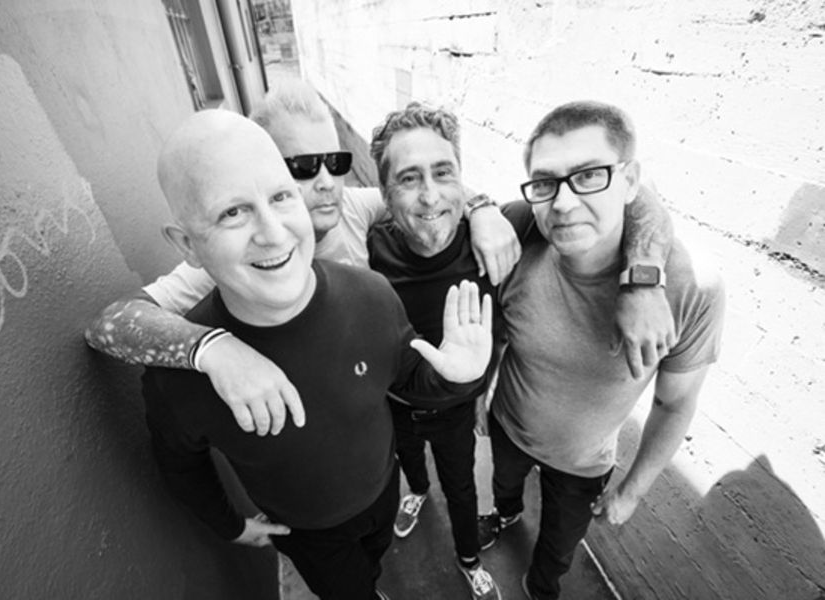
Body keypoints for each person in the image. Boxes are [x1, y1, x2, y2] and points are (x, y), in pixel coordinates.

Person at [144, 109, 494, 600]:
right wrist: (229, 524)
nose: (273, 233)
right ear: (187, 244)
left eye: (280, 196)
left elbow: (407, 377)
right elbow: (181, 464)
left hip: (383, 492)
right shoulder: (179, 374)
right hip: (308, 535)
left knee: (375, 561)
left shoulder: (372, 294)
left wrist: (457, 376)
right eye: (232, 213)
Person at [85, 80, 523, 437]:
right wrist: (214, 350)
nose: (327, 181)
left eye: (335, 161)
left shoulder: (354, 207)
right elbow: (113, 322)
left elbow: (423, 193)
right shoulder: (239, 255)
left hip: (376, 400)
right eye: (303, 168)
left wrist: (482, 209)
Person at [366, 102, 675, 600]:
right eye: (408, 178)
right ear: (384, 193)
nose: (429, 195)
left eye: (443, 173)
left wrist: (642, 278)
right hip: (398, 403)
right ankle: (418, 493)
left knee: (463, 489)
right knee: (413, 469)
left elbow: (635, 195)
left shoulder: (502, 232)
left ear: (460, 178)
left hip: (457, 411)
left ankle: (470, 559)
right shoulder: (367, 243)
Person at [477, 100, 726, 600]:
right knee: (505, 490)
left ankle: (540, 585)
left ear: (630, 181)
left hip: (583, 463)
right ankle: (506, 514)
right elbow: (497, 329)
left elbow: (674, 402)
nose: (563, 203)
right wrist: (480, 393)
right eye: (545, 183)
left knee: (559, 548)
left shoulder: (689, 288)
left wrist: (632, 491)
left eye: (589, 175)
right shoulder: (519, 232)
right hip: (508, 425)